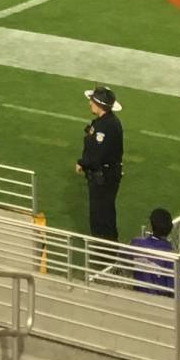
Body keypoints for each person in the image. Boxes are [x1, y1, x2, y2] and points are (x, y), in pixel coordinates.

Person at [76, 85, 124, 242]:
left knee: (101, 215)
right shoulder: (106, 122)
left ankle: (104, 252)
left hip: (103, 177)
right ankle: (106, 249)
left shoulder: (105, 126)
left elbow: (97, 155)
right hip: (105, 175)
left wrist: (82, 163)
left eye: (91, 101)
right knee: (104, 212)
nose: (89, 103)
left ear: (99, 104)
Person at [128, 208, 180, 297]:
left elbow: (124, 261)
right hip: (161, 304)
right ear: (171, 228)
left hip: (138, 299)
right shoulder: (173, 257)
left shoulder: (136, 244)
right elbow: (179, 290)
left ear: (151, 225)